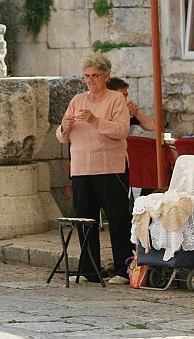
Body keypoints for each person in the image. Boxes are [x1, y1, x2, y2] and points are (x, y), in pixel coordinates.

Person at [56, 53, 133, 285]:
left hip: (110, 168)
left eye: (95, 76)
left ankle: (122, 268)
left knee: (118, 219)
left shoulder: (115, 100)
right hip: (81, 169)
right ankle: (90, 268)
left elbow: (121, 131)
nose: (91, 80)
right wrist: (64, 127)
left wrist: (94, 120)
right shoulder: (77, 99)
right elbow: (61, 137)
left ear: (106, 76)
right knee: (84, 220)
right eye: (87, 76)